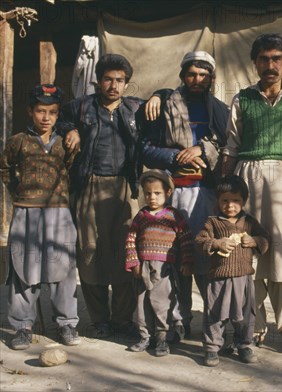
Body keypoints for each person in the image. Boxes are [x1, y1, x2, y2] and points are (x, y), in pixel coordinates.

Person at [221, 33, 282, 355]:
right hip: (248, 179)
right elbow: (232, 146)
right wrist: (224, 188)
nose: (270, 65)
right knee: (248, 255)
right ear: (255, 62)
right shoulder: (242, 99)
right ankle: (252, 326)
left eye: (277, 58)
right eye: (263, 59)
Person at [142, 51, 230, 339]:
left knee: (208, 257)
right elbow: (146, 148)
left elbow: (229, 144)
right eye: (192, 74)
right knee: (177, 259)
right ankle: (178, 321)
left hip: (207, 193)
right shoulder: (165, 105)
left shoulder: (219, 110)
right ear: (182, 76)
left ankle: (214, 323)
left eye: (203, 75)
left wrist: (203, 149)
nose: (197, 80)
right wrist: (176, 156)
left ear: (211, 79)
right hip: (175, 191)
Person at [59, 54, 145, 339]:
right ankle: (99, 320)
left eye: (120, 80)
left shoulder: (136, 109)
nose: (113, 85)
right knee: (90, 251)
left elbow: (170, 100)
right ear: (98, 81)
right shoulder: (81, 107)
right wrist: (70, 128)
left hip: (125, 188)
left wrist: (161, 94)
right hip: (89, 184)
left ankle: (122, 319)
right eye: (108, 78)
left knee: (126, 251)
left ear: (126, 83)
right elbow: (57, 117)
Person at [1, 85, 80, 349]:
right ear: (30, 112)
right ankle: (22, 326)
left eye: (52, 112)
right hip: (27, 211)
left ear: (59, 114)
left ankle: (67, 323)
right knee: (24, 267)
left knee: (64, 267)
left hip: (59, 211)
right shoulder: (18, 141)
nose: (46, 117)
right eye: (40, 111)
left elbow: (74, 171)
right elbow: (5, 167)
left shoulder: (66, 143)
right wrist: (19, 194)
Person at [195, 175, 269, 366]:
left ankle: (243, 344)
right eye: (225, 200)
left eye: (236, 201)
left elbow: (264, 239)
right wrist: (217, 243)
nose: (230, 205)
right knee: (215, 314)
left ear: (243, 201)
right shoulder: (212, 222)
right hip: (219, 278)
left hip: (243, 278)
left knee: (245, 315)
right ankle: (212, 348)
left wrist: (254, 241)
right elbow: (200, 241)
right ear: (218, 200)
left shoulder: (249, 222)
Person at [125, 170, 194, 356]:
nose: (152, 197)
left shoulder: (173, 216)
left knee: (161, 303)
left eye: (157, 193)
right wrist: (134, 262)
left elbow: (186, 239)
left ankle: (162, 337)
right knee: (142, 304)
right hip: (143, 267)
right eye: (148, 193)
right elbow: (131, 239)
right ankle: (145, 337)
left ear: (168, 193)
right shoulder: (141, 216)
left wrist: (187, 262)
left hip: (164, 269)